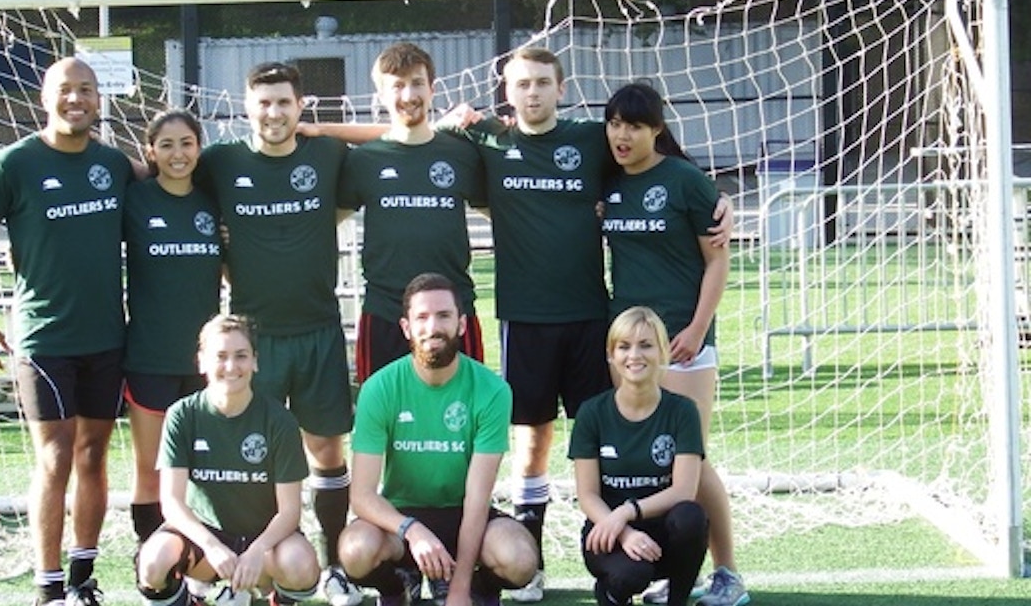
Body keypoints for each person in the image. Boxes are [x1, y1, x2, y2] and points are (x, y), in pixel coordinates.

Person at [440, 47, 732, 602]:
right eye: (521, 83)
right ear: (507, 92)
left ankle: (667, 554)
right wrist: (450, 119)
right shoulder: (489, 141)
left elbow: (652, 147)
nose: (531, 92)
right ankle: (534, 558)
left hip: (597, 323)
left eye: (542, 82)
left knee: (620, 439)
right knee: (531, 442)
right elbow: (408, 139)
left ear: (561, 87)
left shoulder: (591, 140)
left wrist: (718, 202)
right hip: (524, 319)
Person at [0, 56, 133, 606]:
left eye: (86, 89)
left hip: (107, 335)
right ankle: (48, 584)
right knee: (55, 457)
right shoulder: (13, 163)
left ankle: (83, 578)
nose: (75, 99)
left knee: (93, 456)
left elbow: (170, 179)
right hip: (43, 339)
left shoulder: (115, 164)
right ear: (45, 97)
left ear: (98, 100)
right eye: (65, 90)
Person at [194, 62, 362, 606]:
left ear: (301, 105)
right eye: (263, 103)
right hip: (254, 340)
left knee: (324, 449)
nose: (273, 113)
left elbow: (393, 143)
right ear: (247, 107)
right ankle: (253, 572)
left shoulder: (326, 154)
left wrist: (329, 131)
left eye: (284, 102)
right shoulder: (221, 162)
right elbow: (164, 173)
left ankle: (335, 565)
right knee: (254, 455)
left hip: (317, 329)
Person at [599, 82, 745, 606]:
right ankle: (670, 569)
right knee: (654, 460)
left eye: (634, 126)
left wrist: (698, 328)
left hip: (682, 341)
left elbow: (718, 260)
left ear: (656, 129)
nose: (622, 134)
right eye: (615, 123)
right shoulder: (609, 180)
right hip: (628, 345)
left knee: (691, 458)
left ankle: (728, 573)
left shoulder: (685, 181)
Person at [337, 272, 537, 606]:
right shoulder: (379, 387)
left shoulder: (492, 390)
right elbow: (361, 496)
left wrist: (459, 589)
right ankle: (397, 585)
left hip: (465, 512)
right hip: (401, 519)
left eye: (444, 316)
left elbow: (477, 498)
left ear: (461, 324)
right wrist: (412, 529)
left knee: (520, 558)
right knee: (355, 551)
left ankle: (479, 588)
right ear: (406, 328)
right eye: (422, 318)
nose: (433, 328)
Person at [136, 314, 321, 606]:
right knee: (153, 563)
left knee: (301, 566)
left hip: (263, 542)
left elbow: (289, 511)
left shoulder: (278, 420)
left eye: (241, 356)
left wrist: (257, 550)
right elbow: (171, 502)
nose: (231, 366)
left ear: (255, 361)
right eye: (220, 356)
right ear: (202, 361)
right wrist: (211, 545)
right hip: (204, 540)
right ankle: (189, 599)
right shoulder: (182, 415)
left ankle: (275, 598)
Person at [337, 42, 487, 379]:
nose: (409, 94)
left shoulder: (462, 153)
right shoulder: (363, 160)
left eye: (417, 83)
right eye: (397, 85)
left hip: (453, 312)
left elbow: (505, 212)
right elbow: (320, 222)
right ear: (380, 96)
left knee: (462, 422)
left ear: (432, 89)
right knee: (384, 424)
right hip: (385, 314)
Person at [123, 110, 224, 542]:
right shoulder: (136, 201)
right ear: (150, 152)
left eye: (186, 143)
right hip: (150, 356)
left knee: (207, 468)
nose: (177, 153)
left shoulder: (213, 202)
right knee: (151, 470)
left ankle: (207, 567)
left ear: (199, 148)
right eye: (166, 145)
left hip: (209, 364)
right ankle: (154, 567)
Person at [568, 306, 709, 606]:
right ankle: (611, 593)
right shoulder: (592, 412)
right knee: (631, 575)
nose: (635, 355)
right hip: (607, 532)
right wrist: (623, 531)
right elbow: (587, 494)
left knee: (691, 516)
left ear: (662, 353)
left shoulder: (682, 411)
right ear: (611, 355)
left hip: (661, 530)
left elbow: (685, 490)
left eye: (646, 345)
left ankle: (677, 600)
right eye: (624, 346)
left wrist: (628, 510)